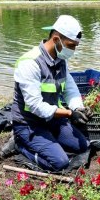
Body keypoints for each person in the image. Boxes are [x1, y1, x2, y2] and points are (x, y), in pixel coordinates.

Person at [9, 15, 92, 172]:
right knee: (60, 163)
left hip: (52, 120)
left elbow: (70, 89)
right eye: (71, 45)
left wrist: (78, 108)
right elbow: (35, 105)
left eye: (76, 46)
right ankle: (20, 145)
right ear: (56, 39)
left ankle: (48, 142)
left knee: (83, 146)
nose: (73, 50)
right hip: (30, 124)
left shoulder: (61, 61)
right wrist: (69, 113)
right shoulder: (30, 63)